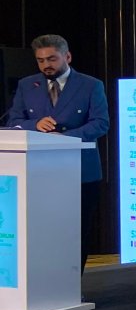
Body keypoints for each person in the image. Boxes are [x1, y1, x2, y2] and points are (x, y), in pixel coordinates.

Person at [2, 34, 109, 265]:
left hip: (81, 172)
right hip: (38, 172)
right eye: (40, 60)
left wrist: (65, 138)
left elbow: (101, 123)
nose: (46, 65)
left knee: (77, 233)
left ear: (67, 57)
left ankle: (75, 282)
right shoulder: (27, 85)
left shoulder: (91, 85)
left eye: (52, 59)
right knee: (42, 233)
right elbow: (13, 120)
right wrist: (35, 125)